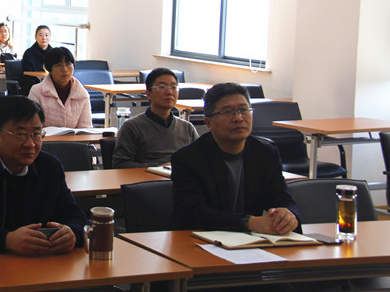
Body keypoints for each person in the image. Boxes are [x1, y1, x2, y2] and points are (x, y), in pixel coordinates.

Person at [0, 95, 88, 255]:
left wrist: (73, 233)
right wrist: (6, 240)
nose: (30, 144)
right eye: (20, 134)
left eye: (36, 134)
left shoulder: (50, 167)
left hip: (43, 263)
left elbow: (76, 216)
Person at [171, 82, 301, 234]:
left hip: (251, 242)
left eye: (244, 110)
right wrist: (248, 222)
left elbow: (282, 198)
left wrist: (288, 215)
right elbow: (193, 214)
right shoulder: (188, 159)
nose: (238, 118)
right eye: (228, 112)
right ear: (209, 123)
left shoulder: (266, 153)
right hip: (200, 240)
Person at [112, 68, 198, 168]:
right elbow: (120, 165)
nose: (169, 92)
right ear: (148, 94)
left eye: (174, 87)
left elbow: (201, 159)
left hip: (181, 177)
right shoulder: (132, 127)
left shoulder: (187, 128)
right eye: (162, 87)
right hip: (147, 177)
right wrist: (158, 167)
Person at [27, 47, 91, 129]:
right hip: (46, 137)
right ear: (50, 69)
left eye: (68, 64)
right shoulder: (37, 91)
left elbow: (86, 127)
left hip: (74, 137)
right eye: (59, 65)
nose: (65, 69)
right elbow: (32, 125)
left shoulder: (82, 94)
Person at [20, 24, 52, 95]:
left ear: (50, 37)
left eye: (46, 35)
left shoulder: (54, 53)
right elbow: (27, 72)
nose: (44, 38)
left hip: (50, 83)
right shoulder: (29, 53)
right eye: (41, 35)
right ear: (35, 37)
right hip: (31, 84)